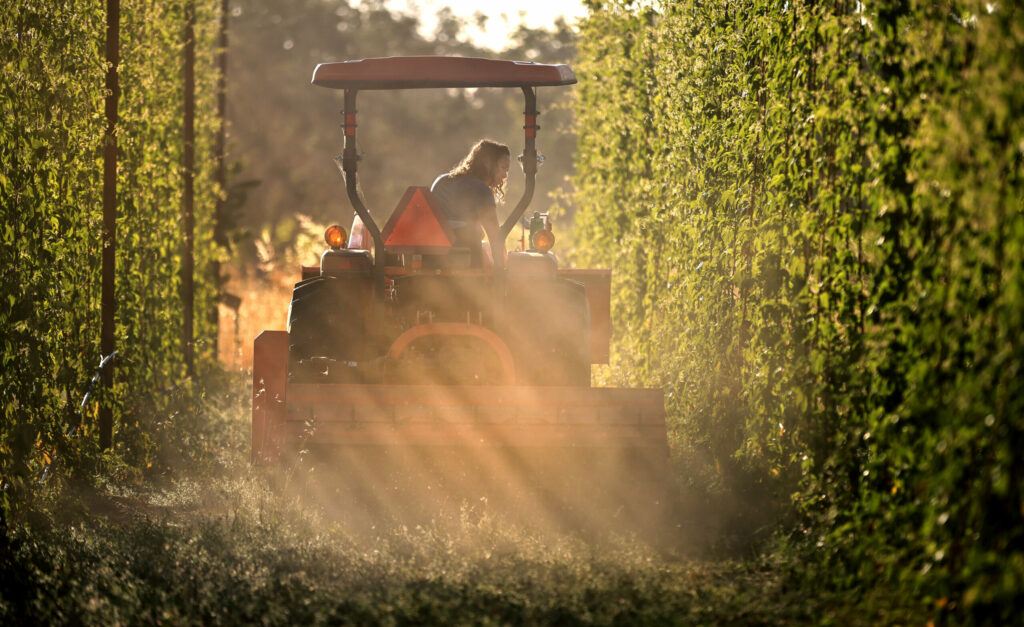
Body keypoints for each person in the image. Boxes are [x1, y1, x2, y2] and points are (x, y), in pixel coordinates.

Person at [430, 139, 510, 268]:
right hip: (467, 263)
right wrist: (503, 267)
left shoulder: (441, 181)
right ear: (488, 164)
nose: (505, 175)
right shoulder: (481, 189)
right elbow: (494, 236)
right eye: (503, 168)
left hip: (432, 259)